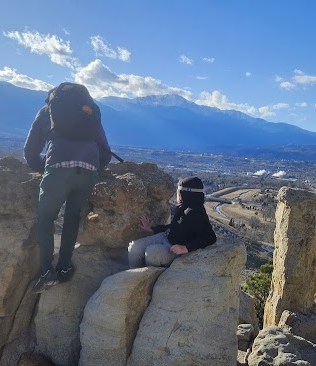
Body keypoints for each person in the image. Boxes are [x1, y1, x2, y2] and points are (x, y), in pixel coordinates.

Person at [24, 82, 112, 292]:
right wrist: (91, 169)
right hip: (89, 170)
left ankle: (47, 271)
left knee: (46, 217)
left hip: (58, 167)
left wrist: (44, 169)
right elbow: (106, 153)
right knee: (72, 217)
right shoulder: (89, 114)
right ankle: (64, 267)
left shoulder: (47, 112)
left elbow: (30, 149)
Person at [129, 176, 217, 268]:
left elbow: (210, 237)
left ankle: (147, 279)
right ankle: (133, 275)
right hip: (166, 237)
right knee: (135, 247)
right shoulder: (183, 208)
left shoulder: (196, 212)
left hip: (174, 249)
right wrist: (151, 229)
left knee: (152, 252)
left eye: (178, 191)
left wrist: (186, 248)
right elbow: (175, 227)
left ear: (185, 193)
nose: (177, 194)